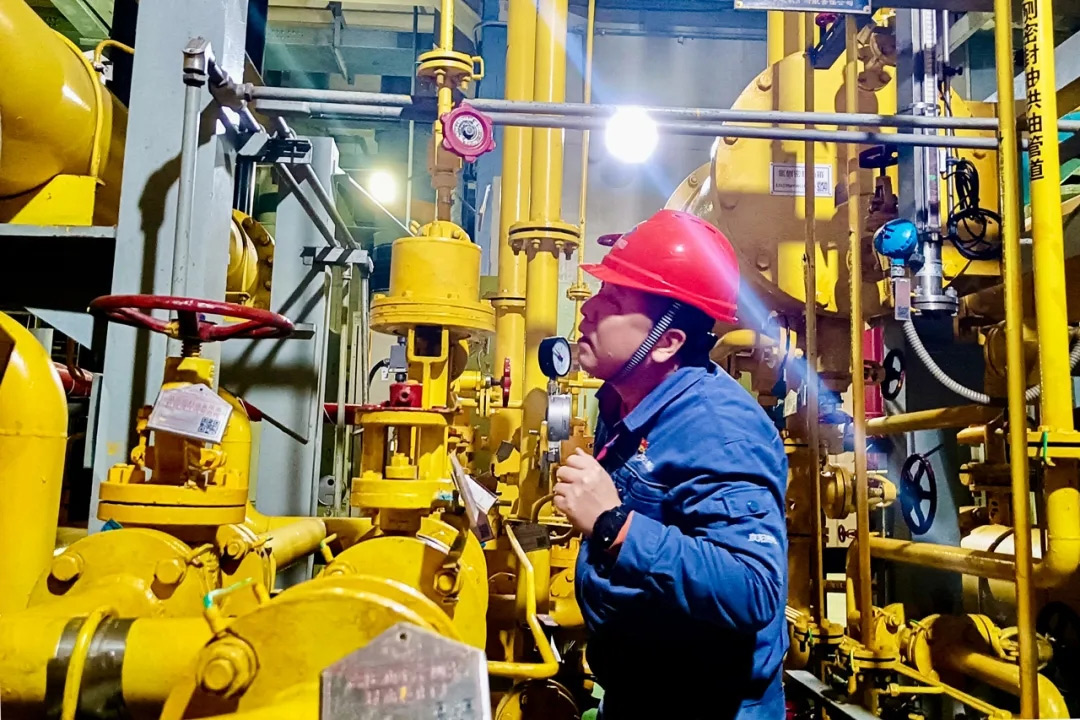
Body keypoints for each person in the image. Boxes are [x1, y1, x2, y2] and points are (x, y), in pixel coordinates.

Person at [553, 209, 788, 719]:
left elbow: (755, 587)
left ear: (667, 342)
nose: (588, 309)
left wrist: (614, 526)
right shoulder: (624, 401)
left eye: (614, 301)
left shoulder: (720, 430)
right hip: (641, 692)